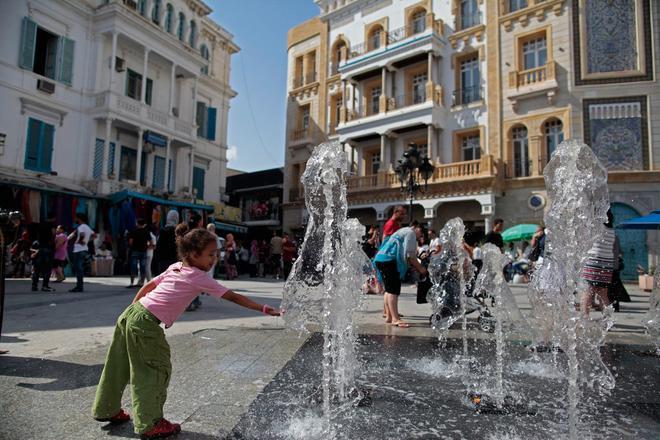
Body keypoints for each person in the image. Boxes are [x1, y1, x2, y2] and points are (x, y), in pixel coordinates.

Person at [91, 228, 280, 439]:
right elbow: (233, 297)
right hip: (144, 322)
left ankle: (106, 409)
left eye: (216, 253)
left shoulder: (176, 267)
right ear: (192, 254)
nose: (214, 258)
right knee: (154, 369)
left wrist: (133, 310)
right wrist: (263, 308)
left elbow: (149, 285)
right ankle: (150, 423)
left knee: (118, 364)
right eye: (210, 254)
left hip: (131, 314)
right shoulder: (200, 277)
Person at [373, 224, 427, 328]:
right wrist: (421, 269)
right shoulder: (411, 233)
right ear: (418, 230)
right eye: (420, 235)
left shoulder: (403, 231)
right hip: (389, 260)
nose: (419, 238)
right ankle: (395, 319)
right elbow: (410, 255)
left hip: (381, 258)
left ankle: (389, 316)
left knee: (389, 290)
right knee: (393, 290)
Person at [580, 209, 618, 315]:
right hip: (607, 264)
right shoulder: (612, 230)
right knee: (603, 294)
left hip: (594, 262)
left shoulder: (596, 226)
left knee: (587, 292)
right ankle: (607, 319)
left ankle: (584, 318)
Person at [68, 213, 93, 292]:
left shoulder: (81, 227)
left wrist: (80, 241)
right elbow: (94, 235)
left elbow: (82, 235)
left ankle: (79, 286)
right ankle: (79, 286)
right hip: (84, 250)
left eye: (76, 218)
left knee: (78, 269)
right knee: (80, 269)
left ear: (79, 219)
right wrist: (87, 241)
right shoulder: (88, 227)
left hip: (78, 250)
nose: (75, 219)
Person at [30, 220, 55, 292]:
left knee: (36, 271)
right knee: (47, 271)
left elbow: (31, 250)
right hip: (47, 256)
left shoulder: (36, 242)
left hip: (37, 258)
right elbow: (53, 249)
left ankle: (34, 286)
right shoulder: (49, 242)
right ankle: (45, 285)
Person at [153, 210, 180, 276]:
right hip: (174, 260)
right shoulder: (178, 231)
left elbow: (158, 246)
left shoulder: (162, 230)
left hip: (163, 259)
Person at [126, 219, 152, 288]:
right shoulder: (147, 232)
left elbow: (130, 241)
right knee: (142, 268)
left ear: (137, 223)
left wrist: (132, 246)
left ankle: (131, 283)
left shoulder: (134, 231)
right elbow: (150, 242)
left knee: (133, 267)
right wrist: (147, 247)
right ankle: (142, 283)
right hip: (144, 251)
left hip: (135, 251)